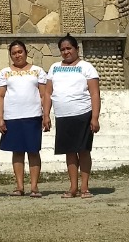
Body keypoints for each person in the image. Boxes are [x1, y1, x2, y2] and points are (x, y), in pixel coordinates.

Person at [44, 34, 101, 198]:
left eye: (69, 48)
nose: (66, 52)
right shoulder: (54, 68)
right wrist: (46, 115)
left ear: (76, 49)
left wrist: (95, 117)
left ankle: (84, 187)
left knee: (83, 151)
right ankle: (73, 187)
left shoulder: (87, 67)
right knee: (69, 152)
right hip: (63, 116)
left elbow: (95, 93)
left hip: (83, 114)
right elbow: (48, 93)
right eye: (62, 49)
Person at [0, 40, 50, 198]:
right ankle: (19, 187)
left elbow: (43, 94)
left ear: (26, 52)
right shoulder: (5, 73)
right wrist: (0, 118)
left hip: (33, 116)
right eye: (14, 53)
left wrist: (46, 115)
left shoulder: (37, 71)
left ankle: (34, 187)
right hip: (12, 117)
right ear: (10, 55)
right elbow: (0, 96)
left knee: (33, 151)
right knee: (17, 152)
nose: (17, 55)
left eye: (20, 52)